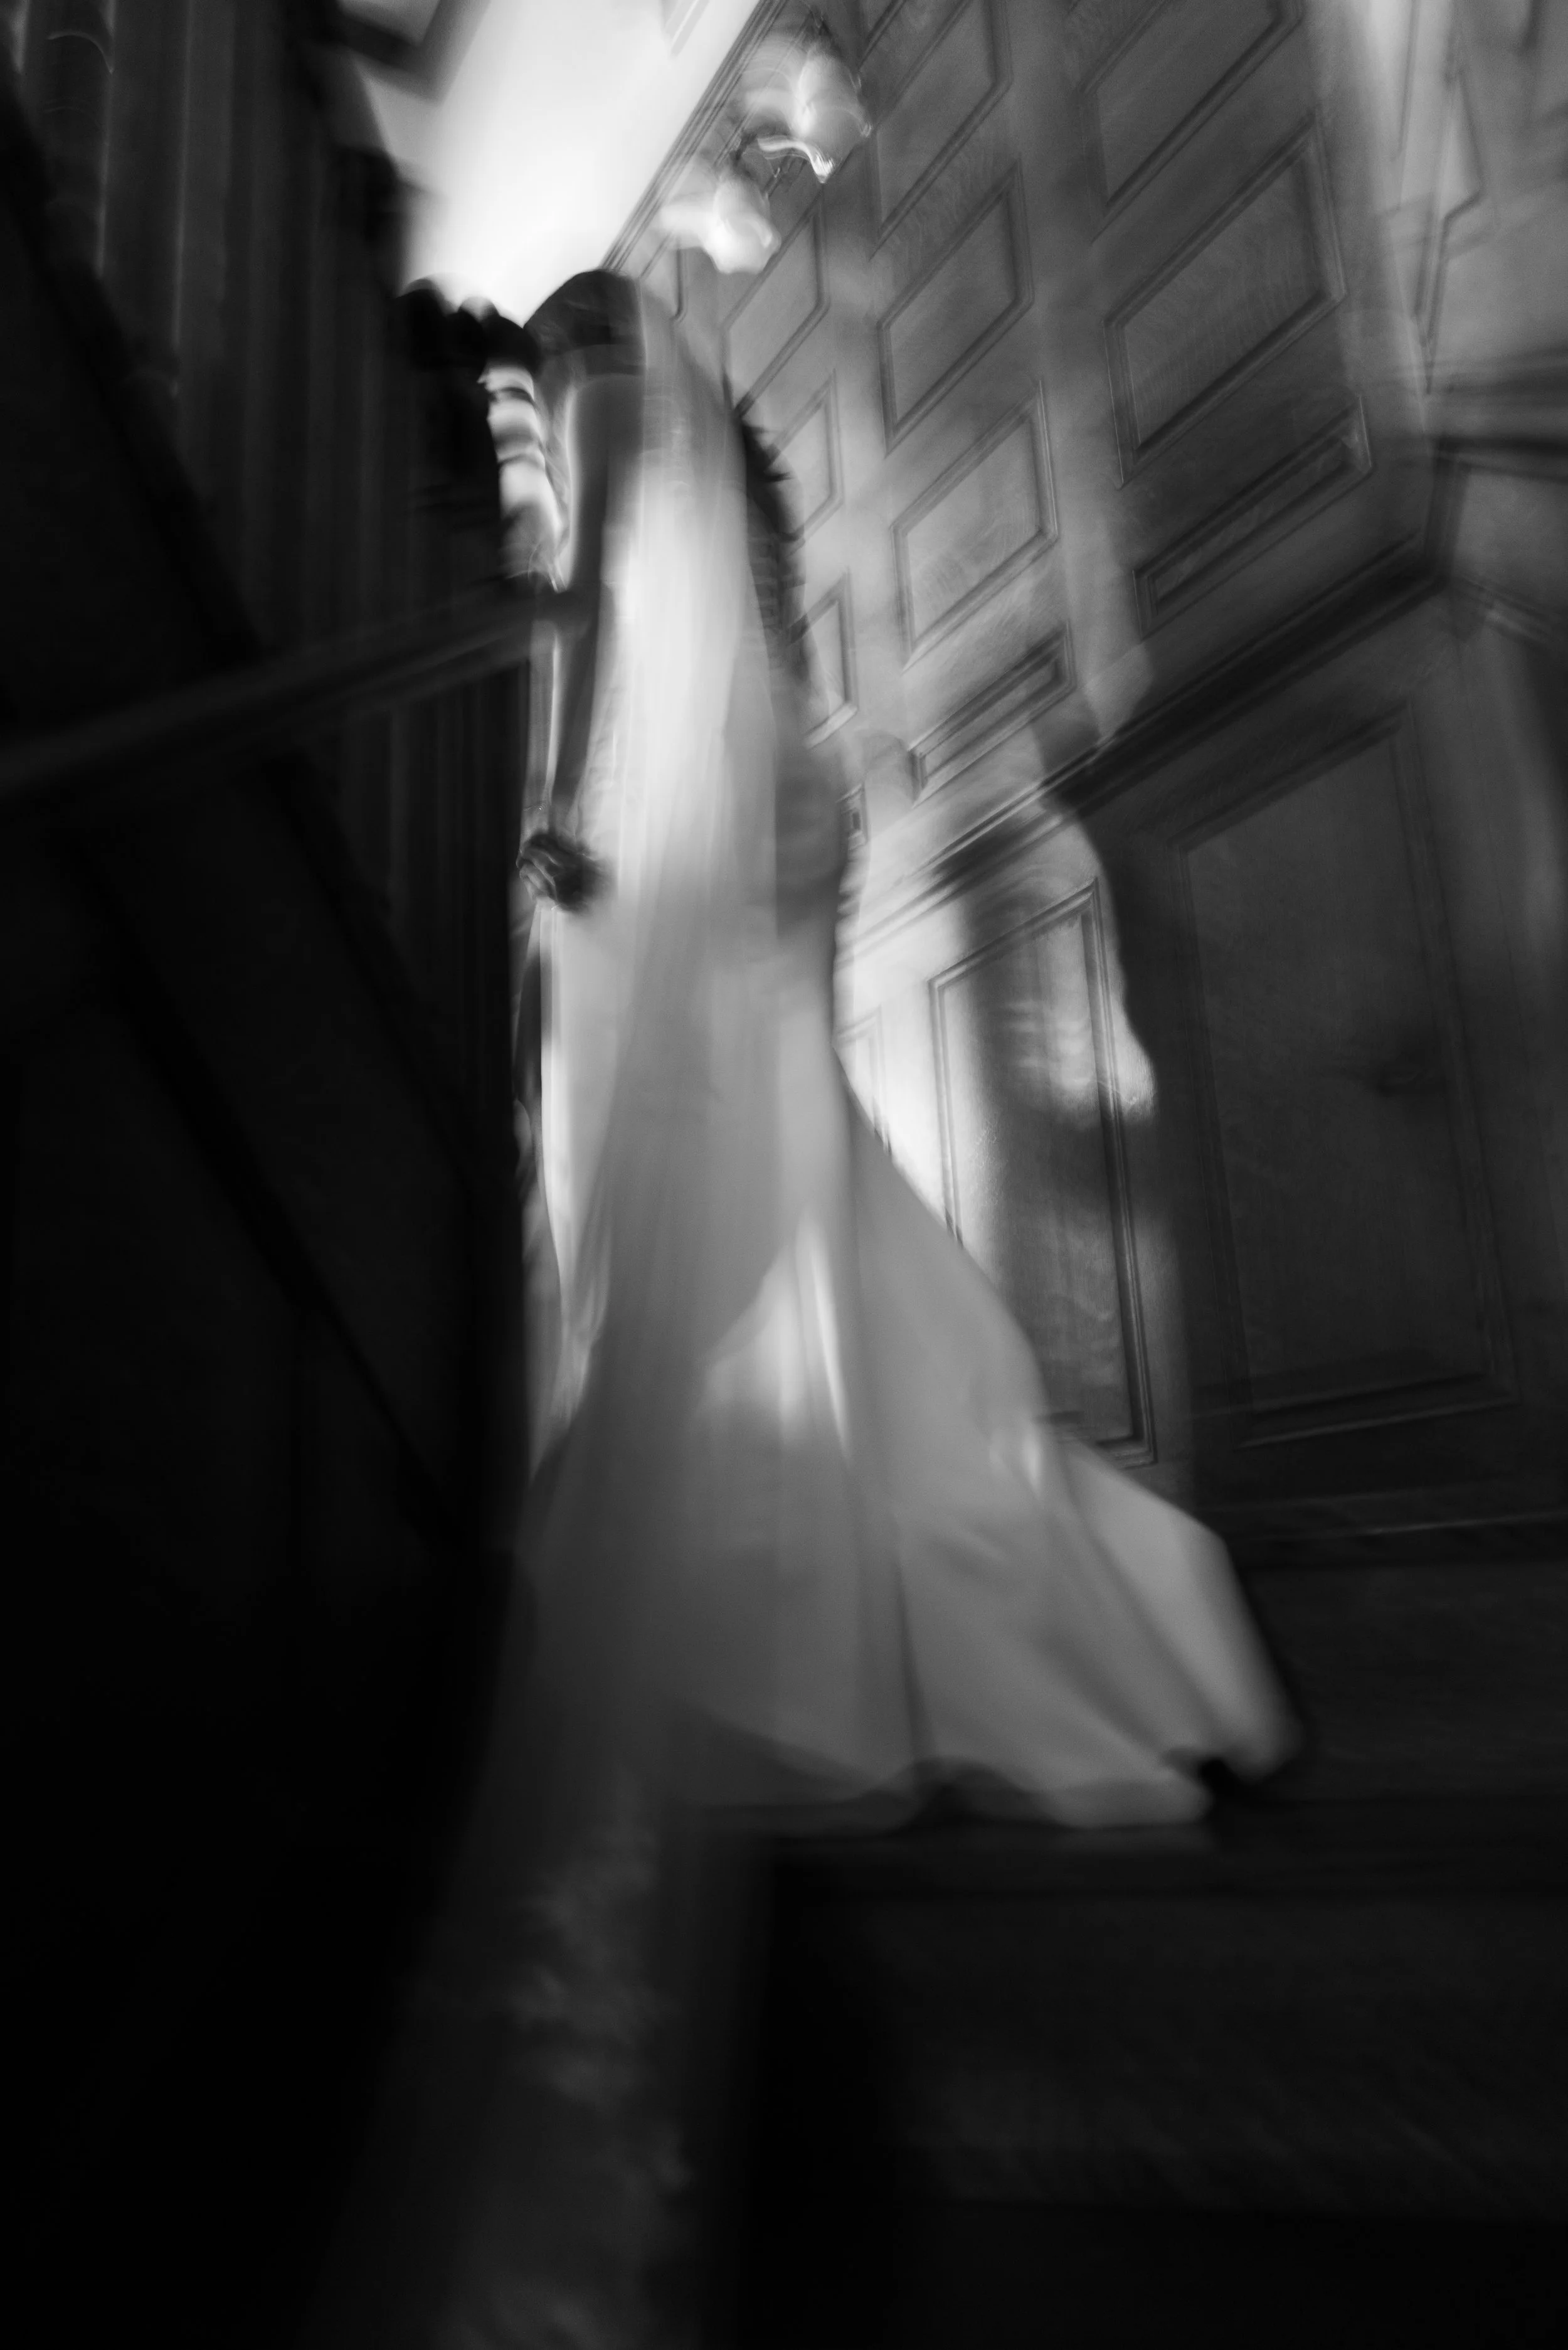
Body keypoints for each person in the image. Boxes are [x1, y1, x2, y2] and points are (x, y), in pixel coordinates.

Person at [304, 39, 1295, 2350]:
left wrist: (553, 829)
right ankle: (921, 1552)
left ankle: (801, 1583)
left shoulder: (601, 402)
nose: (540, 427)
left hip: (687, 855)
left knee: (693, 1233)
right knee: (788, 1205)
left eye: (542, 396)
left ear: (570, 359)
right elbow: (708, 650)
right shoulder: (731, 496)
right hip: (772, 838)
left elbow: (583, 653)